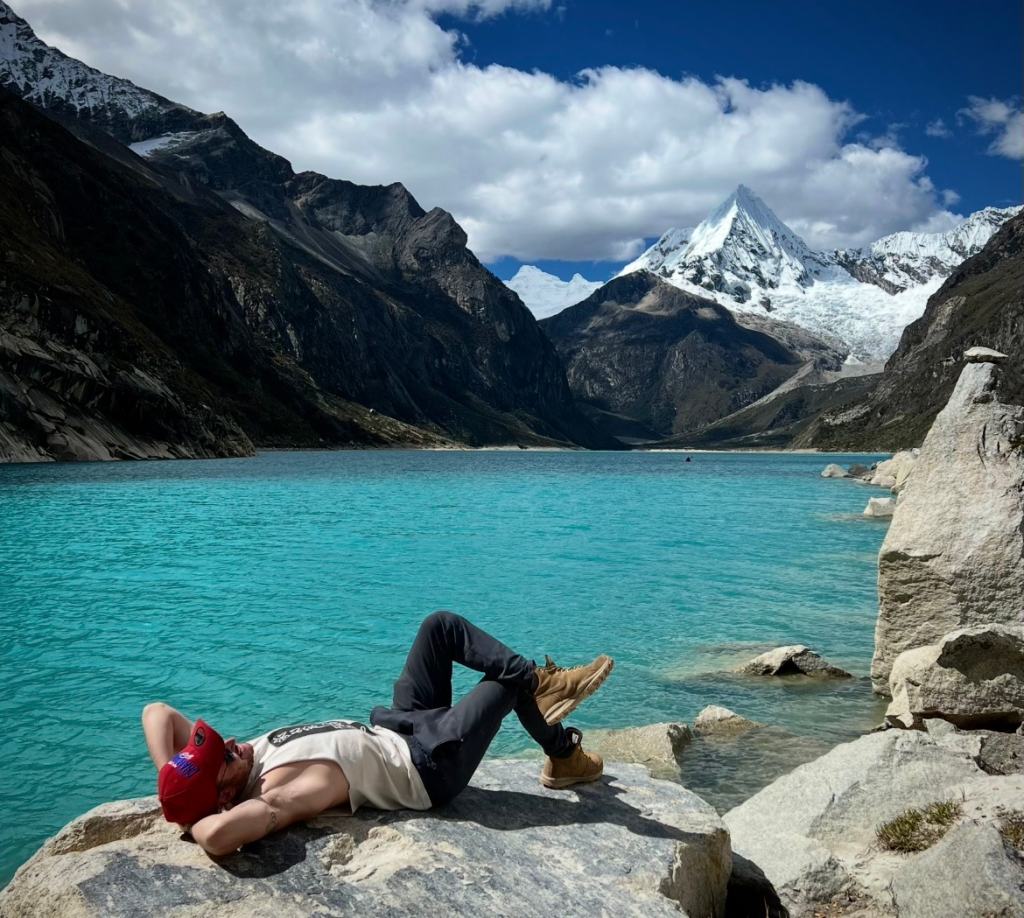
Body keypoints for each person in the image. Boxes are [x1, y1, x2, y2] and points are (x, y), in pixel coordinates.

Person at [143, 611, 614, 857]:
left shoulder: (242, 758)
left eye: (218, 744)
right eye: (222, 760)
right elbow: (219, 836)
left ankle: (544, 699)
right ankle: (561, 747)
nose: (229, 744)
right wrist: (192, 820)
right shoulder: (278, 793)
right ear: (224, 796)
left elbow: (157, 712)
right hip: (430, 764)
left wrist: (174, 779)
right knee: (508, 682)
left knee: (440, 626)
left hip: (400, 725)